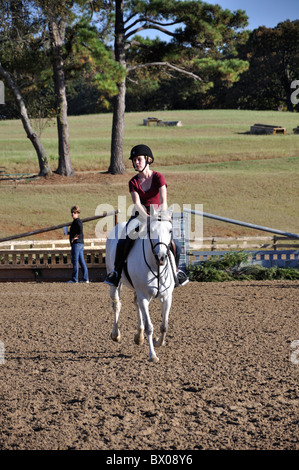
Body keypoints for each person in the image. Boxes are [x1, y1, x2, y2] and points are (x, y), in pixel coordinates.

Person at [104, 144, 189, 287]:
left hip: (159, 215)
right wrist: (147, 218)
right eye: (134, 160)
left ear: (148, 159)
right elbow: (137, 203)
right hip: (139, 217)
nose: (136, 163)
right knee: (123, 241)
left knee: (177, 245)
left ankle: (176, 271)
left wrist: (158, 217)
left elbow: (163, 201)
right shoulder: (133, 182)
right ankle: (116, 273)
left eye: (139, 159)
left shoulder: (158, 177)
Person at [67, 205, 89, 283]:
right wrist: (69, 233)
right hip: (80, 244)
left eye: (74, 212)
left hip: (76, 244)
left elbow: (80, 230)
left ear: (77, 213)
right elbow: (77, 231)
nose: (73, 214)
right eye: (72, 212)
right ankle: (86, 278)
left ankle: (74, 279)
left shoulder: (77, 221)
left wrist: (75, 237)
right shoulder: (76, 222)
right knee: (81, 261)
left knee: (75, 261)